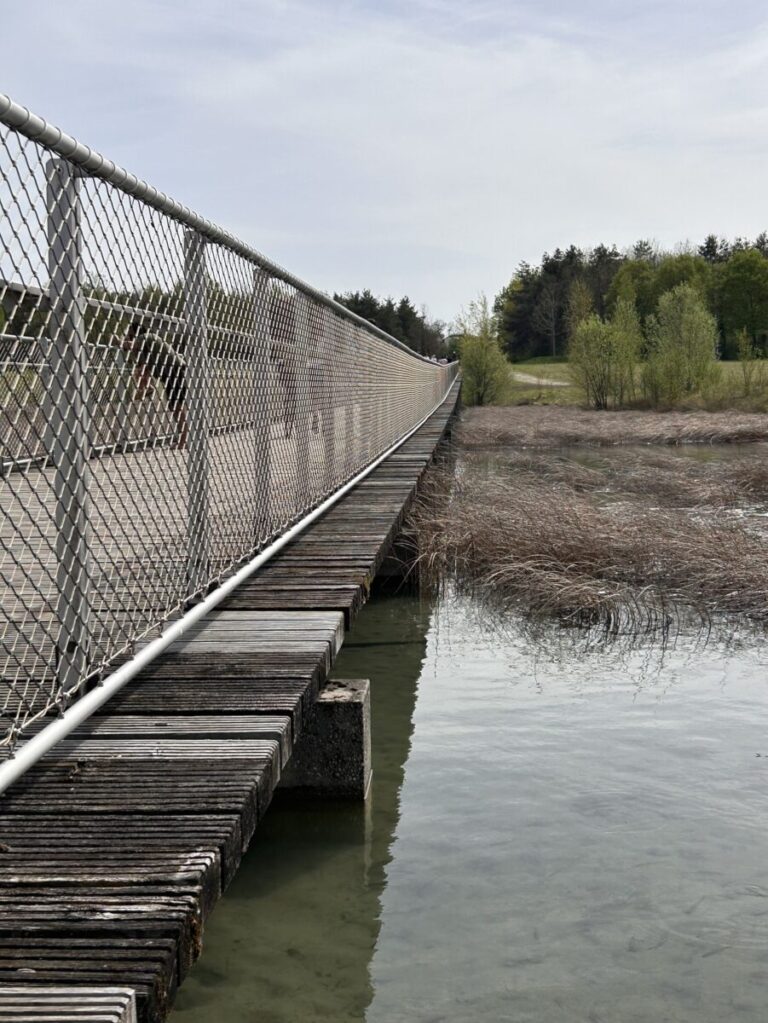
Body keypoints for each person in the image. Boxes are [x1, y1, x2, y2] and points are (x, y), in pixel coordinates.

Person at [120, 321, 187, 448]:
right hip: (168, 373)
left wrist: (119, 341)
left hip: (174, 370)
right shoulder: (145, 349)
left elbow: (130, 345)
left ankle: (183, 441)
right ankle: (147, 388)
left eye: (129, 334)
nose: (128, 336)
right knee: (174, 407)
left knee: (177, 407)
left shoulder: (146, 337)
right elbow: (140, 364)